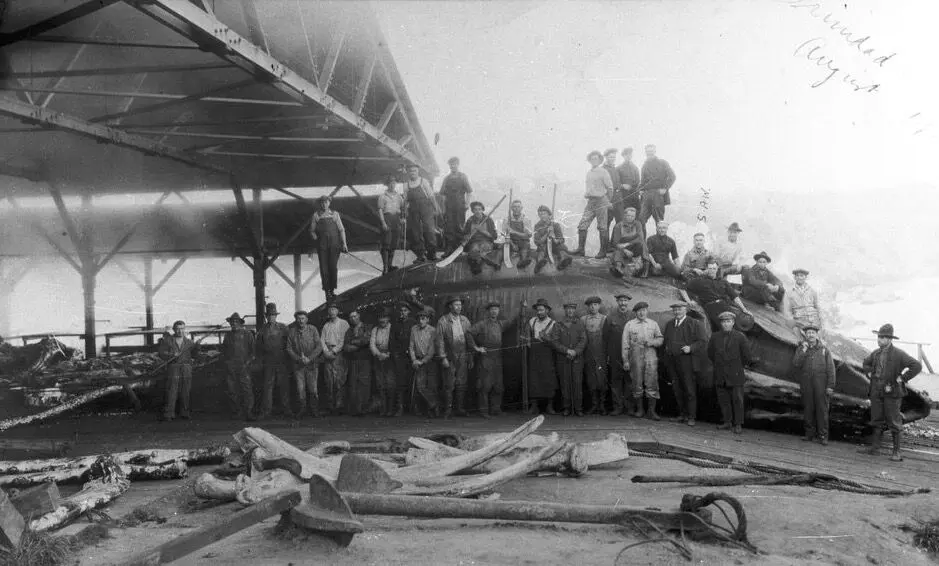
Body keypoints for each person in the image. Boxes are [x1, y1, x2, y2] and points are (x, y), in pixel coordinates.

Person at [858, 324, 922, 462]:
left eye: (882, 337)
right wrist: (869, 372)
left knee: (894, 422)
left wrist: (903, 378)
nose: (879, 339)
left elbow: (916, 366)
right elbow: (865, 363)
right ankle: (875, 448)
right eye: (878, 337)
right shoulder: (876, 353)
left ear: (889, 339)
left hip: (892, 393)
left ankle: (896, 452)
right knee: (876, 419)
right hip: (876, 391)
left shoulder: (899, 354)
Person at [663, 302, 707, 426]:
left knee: (689, 389)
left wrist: (691, 348)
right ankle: (682, 414)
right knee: (677, 388)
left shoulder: (695, 323)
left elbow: (702, 341)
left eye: (679, 309)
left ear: (686, 310)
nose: (677, 312)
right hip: (673, 361)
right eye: (675, 309)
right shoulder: (670, 324)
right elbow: (666, 340)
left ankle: (691, 417)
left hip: (687, 361)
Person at [708, 311, 752, 434]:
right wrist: (720, 365)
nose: (726, 324)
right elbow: (710, 353)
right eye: (723, 322)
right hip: (720, 374)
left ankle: (738, 424)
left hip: (735, 374)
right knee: (723, 400)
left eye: (728, 321)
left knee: (738, 400)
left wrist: (737, 366)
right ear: (721, 323)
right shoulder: (715, 337)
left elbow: (747, 356)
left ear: (733, 323)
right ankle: (727, 422)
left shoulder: (740, 337)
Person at [791, 322, 835, 444]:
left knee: (822, 410)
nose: (810, 335)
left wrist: (830, 386)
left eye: (813, 333)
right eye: (808, 333)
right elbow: (796, 363)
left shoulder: (824, 350)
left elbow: (831, 369)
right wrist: (803, 350)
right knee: (808, 409)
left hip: (821, 384)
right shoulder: (801, 348)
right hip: (807, 384)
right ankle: (809, 434)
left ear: (817, 335)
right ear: (805, 335)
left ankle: (823, 436)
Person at [623, 302, 664, 420]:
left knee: (652, 382)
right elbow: (625, 344)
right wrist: (625, 360)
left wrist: (652, 342)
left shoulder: (653, 324)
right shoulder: (629, 325)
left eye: (644, 310)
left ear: (647, 311)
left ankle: (651, 411)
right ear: (636, 313)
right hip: (635, 357)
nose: (641, 313)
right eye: (639, 311)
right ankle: (640, 410)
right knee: (637, 383)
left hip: (650, 357)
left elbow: (660, 338)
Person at [436, 296, 476, 418]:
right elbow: (439, 341)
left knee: (462, 383)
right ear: (450, 306)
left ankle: (460, 409)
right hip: (450, 356)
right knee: (449, 384)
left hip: (463, 355)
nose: (459, 307)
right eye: (456, 305)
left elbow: (469, 340)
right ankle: (448, 410)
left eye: (460, 305)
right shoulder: (443, 321)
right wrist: (443, 357)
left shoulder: (465, 320)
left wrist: (470, 357)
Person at [685, 260, 754, 328]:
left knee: (740, 321)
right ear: (707, 269)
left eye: (714, 268)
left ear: (717, 269)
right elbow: (684, 288)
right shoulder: (699, 281)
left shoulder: (723, 281)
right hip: (711, 307)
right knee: (726, 323)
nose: (712, 270)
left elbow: (734, 296)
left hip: (724, 304)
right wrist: (690, 300)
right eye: (710, 268)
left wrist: (744, 309)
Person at [547, 301, 587, 416]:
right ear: (565, 310)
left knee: (577, 383)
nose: (570, 311)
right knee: (565, 384)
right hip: (563, 359)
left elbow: (583, 340)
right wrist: (566, 351)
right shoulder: (558, 324)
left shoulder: (579, 324)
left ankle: (578, 408)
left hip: (577, 359)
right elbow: (554, 341)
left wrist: (575, 351)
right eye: (568, 309)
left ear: (574, 310)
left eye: (572, 309)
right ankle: (567, 408)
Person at [571, 150, 613, 258]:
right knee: (582, 225)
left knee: (602, 227)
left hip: (601, 201)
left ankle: (603, 252)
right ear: (589, 160)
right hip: (590, 202)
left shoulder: (603, 172)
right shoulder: (589, 172)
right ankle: (581, 250)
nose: (594, 160)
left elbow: (610, 188)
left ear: (599, 160)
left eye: (596, 159)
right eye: (592, 159)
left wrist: (607, 201)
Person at [522, 299, 559, 414]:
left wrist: (546, 338)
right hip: (534, 354)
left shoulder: (553, 323)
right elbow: (526, 335)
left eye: (541, 310)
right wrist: (526, 339)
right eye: (538, 310)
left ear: (547, 310)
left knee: (549, 378)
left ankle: (549, 406)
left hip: (547, 354)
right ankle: (534, 406)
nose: (539, 312)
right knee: (534, 379)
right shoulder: (532, 321)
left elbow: (555, 341)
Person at [309, 195, 348, 302]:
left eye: (326, 202)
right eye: (322, 203)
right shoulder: (316, 215)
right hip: (322, 246)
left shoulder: (335, 214)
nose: (324, 204)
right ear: (320, 204)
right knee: (324, 268)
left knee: (333, 267)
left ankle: (332, 290)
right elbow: (311, 230)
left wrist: (344, 244)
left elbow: (341, 230)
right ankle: (327, 292)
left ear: (329, 203)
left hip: (334, 245)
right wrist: (315, 237)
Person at [471, 301, 506, 419]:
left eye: (496, 309)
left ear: (498, 311)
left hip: (498, 357)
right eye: (492, 309)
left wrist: (522, 308)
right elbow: (469, 333)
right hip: (486, 357)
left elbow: (512, 321)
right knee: (485, 385)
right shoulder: (482, 324)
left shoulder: (500, 324)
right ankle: (484, 411)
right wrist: (476, 348)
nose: (494, 311)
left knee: (498, 385)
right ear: (488, 311)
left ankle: (496, 409)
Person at [256, 303, 291, 419]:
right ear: (266, 316)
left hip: (282, 360)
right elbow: (258, 347)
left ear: (276, 316)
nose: (271, 317)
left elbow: (289, 344)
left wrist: (288, 359)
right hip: (268, 361)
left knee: (284, 385)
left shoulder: (283, 328)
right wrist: (261, 361)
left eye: (273, 315)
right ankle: (266, 411)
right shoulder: (262, 330)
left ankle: (286, 409)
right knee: (268, 386)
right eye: (269, 315)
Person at [158, 320, 198, 421]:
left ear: (185, 329)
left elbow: (195, 355)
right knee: (172, 390)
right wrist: (172, 355)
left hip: (186, 367)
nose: (180, 331)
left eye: (182, 329)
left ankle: (185, 412)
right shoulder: (167, 341)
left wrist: (198, 347)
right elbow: (161, 353)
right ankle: (169, 413)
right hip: (173, 367)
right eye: (177, 329)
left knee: (186, 390)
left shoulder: (189, 342)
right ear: (174, 329)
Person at [286, 311, 323, 418]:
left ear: (306, 319)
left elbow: (319, 346)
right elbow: (289, 348)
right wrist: (299, 359)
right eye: (298, 319)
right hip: (298, 366)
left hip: (312, 364)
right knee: (300, 389)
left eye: (303, 318)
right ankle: (302, 410)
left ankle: (314, 410)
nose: (301, 321)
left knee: (313, 388)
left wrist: (309, 358)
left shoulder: (312, 329)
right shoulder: (292, 331)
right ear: (296, 320)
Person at [221, 312, 255, 421]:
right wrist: (227, 363)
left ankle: (248, 412)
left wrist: (247, 364)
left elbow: (253, 352)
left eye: (236, 322)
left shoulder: (248, 334)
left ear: (240, 323)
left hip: (244, 367)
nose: (234, 324)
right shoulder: (228, 336)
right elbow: (224, 351)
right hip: (231, 367)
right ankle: (237, 412)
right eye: (232, 322)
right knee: (232, 390)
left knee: (247, 390)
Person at [403, 163, 440, 263]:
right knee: (416, 232)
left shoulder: (423, 181)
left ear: (418, 171)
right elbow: (405, 200)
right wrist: (405, 211)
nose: (413, 173)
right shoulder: (406, 184)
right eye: (411, 171)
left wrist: (435, 207)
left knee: (429, 230)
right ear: (408, 172)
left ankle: (432, 254)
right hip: (413, 210)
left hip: (425, 208)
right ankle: (421, 255)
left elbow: (431, 196)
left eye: (414, 171)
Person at [581, 296, 611, 415]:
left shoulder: (604, 319)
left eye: (595, 304)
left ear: (599, 306)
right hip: (588, 354)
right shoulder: (583, 319)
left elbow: (607, 339)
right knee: (591, 379)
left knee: (602, 379)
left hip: (601, 354)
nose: (593, 307)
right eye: (590, 305)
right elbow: (581, 338)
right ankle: (594, 405)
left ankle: (602, 405)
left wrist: (607, 355)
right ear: (588, 307)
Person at [637, 144, 676, 231]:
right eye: (647, 152)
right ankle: (642, 240)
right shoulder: (644, 165)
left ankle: (660, 239)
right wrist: (640, 190)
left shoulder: (663, 163)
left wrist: (665, 188)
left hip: (658, 195)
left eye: (651, 151)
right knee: (641, 220)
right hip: (646, 196)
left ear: (655, 151)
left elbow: (672, 177)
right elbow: (642, 181)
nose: (649, 153)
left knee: (659, 222)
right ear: (645, 153)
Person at [606, 293, 634, 416]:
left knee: (630, 381)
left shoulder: (634, 316)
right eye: (621, 300)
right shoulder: (610, 317)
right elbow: (605, 337)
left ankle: (629, 407)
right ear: (617, 302)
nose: (623, 303)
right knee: (616, 381)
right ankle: (617, 407)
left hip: (630, 354)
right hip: (615, 354)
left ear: (628, 302)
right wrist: (608, 354)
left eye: (625, 300)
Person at [320, 302, 350, 415]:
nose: (332, 312)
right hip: (327, 353)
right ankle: (330, 406)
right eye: (330, 310)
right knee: (329, 380)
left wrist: (334, 351)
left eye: (334, 309)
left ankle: (340, 405)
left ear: (338, 311)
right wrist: (326, 352)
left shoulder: (343, 323)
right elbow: (322, 340)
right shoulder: (326, 325)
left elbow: (343, 340)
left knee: (339, 380)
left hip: (338, 353)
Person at [409, 306, 440, 417]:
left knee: (432, 386)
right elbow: (411, 346)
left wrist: (422, 361)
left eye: (423, 319)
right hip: (418, 360)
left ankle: (432, 410)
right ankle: (434, 404)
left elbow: (431, 350)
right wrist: (414, 360)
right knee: (420, 386)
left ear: (428, 320)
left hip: (430, 361)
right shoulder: (414, 329)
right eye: (419, 319)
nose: (421, 321)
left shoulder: (433, 331)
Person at [439, 157, 473, 254]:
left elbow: (469, 191)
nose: (453, 166)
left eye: (454, 164)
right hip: (449, 206)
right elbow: (442, 194)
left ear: (458, 164)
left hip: (460, 206)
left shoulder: (463, 177)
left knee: (459, 226)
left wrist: (467, 204)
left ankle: (458, 249)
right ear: (449, 166)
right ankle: (449, 248)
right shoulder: (447, 178)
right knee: (449, 227)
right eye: (451, 165)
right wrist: (443, 207)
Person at [343, 309, 372, 416]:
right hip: (353, 360)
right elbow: (346, 347)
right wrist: (359, 345)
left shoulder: (367, 327)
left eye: (355, 316)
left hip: (365, 360)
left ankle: (364, 408)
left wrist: (354, 342)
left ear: (359, 316)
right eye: (351, 317)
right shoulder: (349, 331)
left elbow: (367, 340)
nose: (353, 318)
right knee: (353, 384)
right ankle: (356, 409)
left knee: (364, 383)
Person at [610, 207, 650, 279]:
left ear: (635, 216)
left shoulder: (638, 224)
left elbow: (640, 238)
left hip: (634, 246)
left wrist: (628, 244)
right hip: (623, 248)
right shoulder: (618, 226)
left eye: (632, 216)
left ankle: (646, 267)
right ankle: (618, 268)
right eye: (628, 215)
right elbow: (615, 243)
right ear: (624, 215)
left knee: (643, 244)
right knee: (617, 252)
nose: (630, 218)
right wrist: (625, 250)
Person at [389, 302, 414, 417]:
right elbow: (392, 341)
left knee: (412, 380)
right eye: (401, 311)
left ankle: (413, 407)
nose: (403, 313)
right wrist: (395, 354)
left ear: (409, 312)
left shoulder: (413, 323)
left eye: (405, 310)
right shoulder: (395, 324)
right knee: (400, 382)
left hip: (412, 356)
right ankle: (400, 407)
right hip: (399, 356)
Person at [463, 201, 501, 274]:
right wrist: (466, 237)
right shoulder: (470, 220)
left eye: (479, 209)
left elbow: (494, 236)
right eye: (475, 209)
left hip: (486, 242)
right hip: (474, 242)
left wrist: (482, 231)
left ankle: (479, 264)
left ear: (482, 210)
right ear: (473, 211)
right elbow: (465, 234)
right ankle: (489, 262)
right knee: (474, 249)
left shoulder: (488, 220)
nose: (477, 211)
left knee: (483, 248)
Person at [532, 205, 573, 273]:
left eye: (544, 214)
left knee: (562, 247)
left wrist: (554, 238)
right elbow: (537, 242)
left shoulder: (555, 225)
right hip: (544, 246)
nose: (542, 216)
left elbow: (561, 239)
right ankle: (539, 264)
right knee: (541, 250)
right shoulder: (537, 226)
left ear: (549, 215)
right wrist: (547, 233)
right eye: (540, 214)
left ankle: (563, 261)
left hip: (554, 246)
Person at [370, 309, 395, 417]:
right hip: (378, 358)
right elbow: (372, 344)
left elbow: (395, 343)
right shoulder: (375, 329)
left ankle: (390, 409)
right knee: (380, 384)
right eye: (380, 318)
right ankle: (383, 408)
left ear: (388, 318)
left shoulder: (392, 328)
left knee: (390, 384)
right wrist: (378, 354)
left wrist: (388, 354)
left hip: (390, 359)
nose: (382, 320)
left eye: (384, 317)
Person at [377, 176, 405, 273]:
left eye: (394, 183)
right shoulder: (382, 196)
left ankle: (390, 266)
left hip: (396, 220)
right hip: (387, 219)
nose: (392, 185)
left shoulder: (399, 196)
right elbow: (380, 210)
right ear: (387, 184)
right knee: (386, 244)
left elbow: (403, 208)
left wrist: (402, 218)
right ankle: (385, 267)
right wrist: (383, 222)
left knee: (394, 244)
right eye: (390, 183)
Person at [502, 199, 533, 268]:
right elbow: (503, 233)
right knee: (501, 249)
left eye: (518, 207)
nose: (516, 209)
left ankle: (522, 262)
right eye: (514, 207)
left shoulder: (526, 219)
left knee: (525, 250)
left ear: (521, 208)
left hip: (523, 241)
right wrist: (511, 243)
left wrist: (514, 232)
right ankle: (496, 263)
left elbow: (528, 236)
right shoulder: (507, 219)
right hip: (511, 241)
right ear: (511, 208)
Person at [602, 148, 624, 238]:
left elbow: (617, 184)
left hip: (618, 200)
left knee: (620, 223)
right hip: (609, 200)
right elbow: (601, 188)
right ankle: (605, 245)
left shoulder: (615, 169)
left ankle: (614, 243)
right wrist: (607, 202)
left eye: (614, 157)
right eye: (611, 157)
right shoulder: (602, 170)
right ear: (606, 157)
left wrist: (622, 186)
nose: (613, 159)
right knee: (606, 224)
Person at [616, 147, 641, 216]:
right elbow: (615, 182)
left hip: (634, 197)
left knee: (637, 216)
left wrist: (638, 191)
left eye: (630, 154)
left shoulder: (635, 168)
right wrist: (622, 186)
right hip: (623, 196)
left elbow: (638, 181)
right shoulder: (618, 168)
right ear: (623, 156)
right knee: (624, 216)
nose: (628, 156)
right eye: (626, 154)